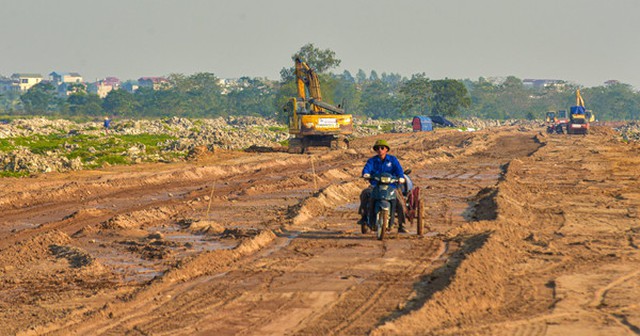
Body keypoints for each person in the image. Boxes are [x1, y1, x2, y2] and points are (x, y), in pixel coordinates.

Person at [358, 139, 408, 233]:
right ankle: (364, 218)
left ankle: (401, 225)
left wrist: (400, 177)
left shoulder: (393, 160)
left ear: (386, 149)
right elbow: (366, 169)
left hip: (391, 186)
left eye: (382, 148)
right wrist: (366, 174)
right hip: (375, 186)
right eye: (377, 148)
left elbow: (399, 171)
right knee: (365, 194)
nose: (380, 150)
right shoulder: (372, 161)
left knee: (400, 202)